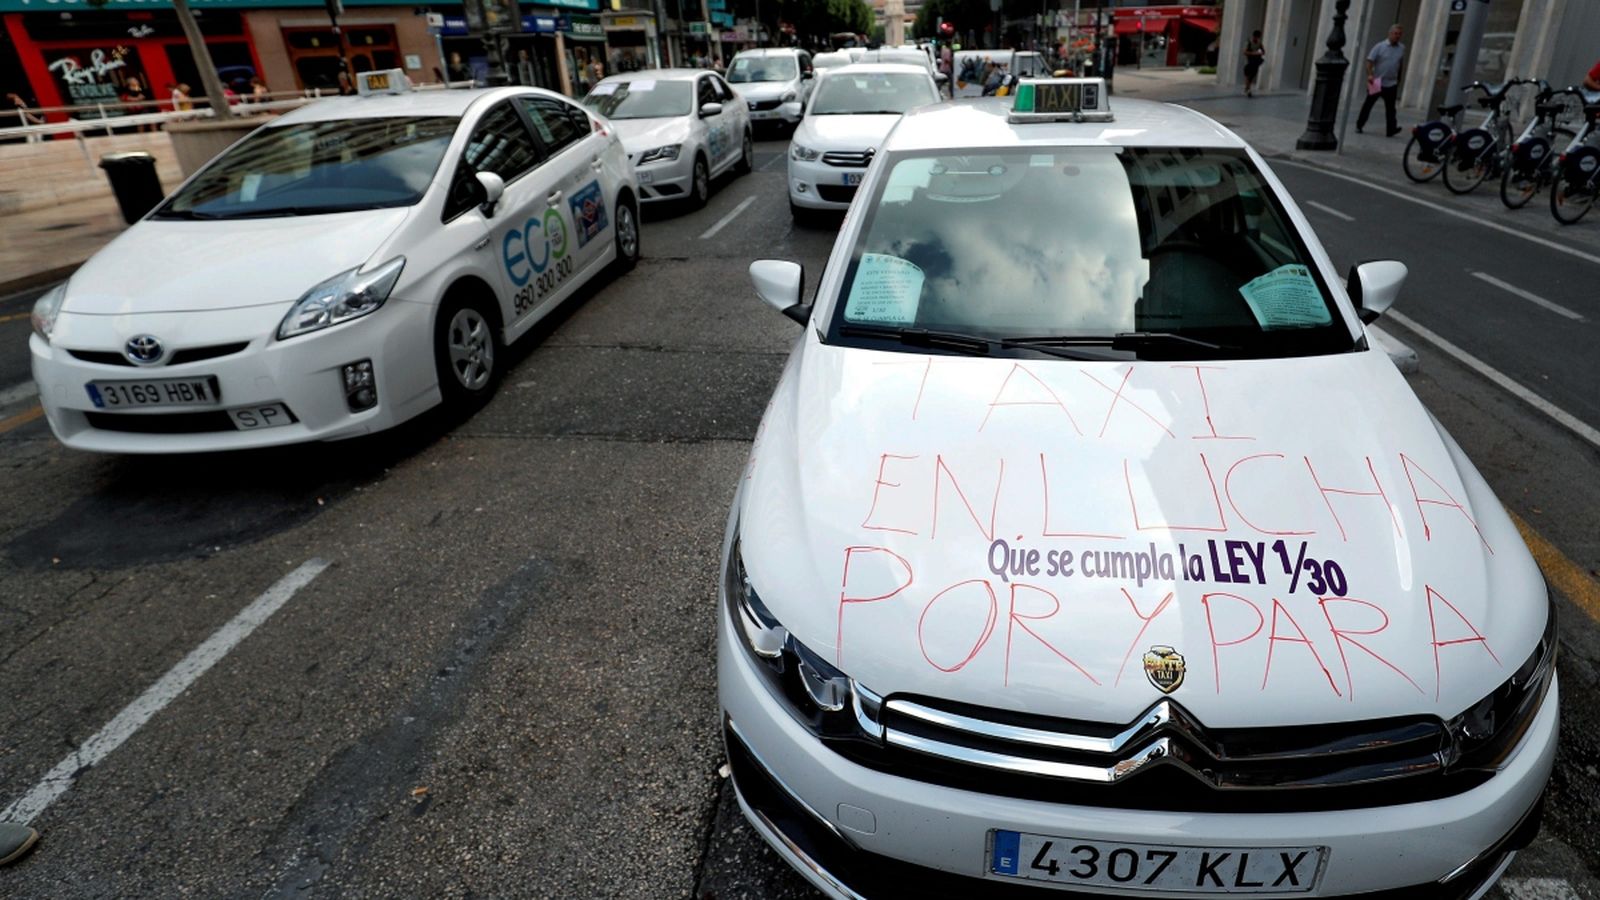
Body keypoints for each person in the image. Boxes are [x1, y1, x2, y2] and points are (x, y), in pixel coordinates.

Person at [1356, 24, 1405, 137]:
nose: (1397, 36)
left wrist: (1399, 78)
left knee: (1391, 109)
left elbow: (1400, 63)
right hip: (1377, 81)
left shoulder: (1401, 48)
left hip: (1391, 82)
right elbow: (1369, 61)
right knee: (1368, 105)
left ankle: (1391, 129)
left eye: (1399, 34)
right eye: (1395, 33)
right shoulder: (1380, 46)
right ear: (1390, 34)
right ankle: (1359, 125)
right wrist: (1370, 75)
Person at [1242, 30, 1265, 98]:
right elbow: (1244, 52)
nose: (1257, 39)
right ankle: (1248, 89)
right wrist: (1254, 53)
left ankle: (1247, 89)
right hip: (1248, 61)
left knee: (1251, 76)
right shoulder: (1248, 42)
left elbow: (1263, 51)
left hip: (1255, 62)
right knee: (1247, 74)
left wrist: (1260, 52)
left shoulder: (1259, 43)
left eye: (1258, 37)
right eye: (1256, 37)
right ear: (1254, 36)